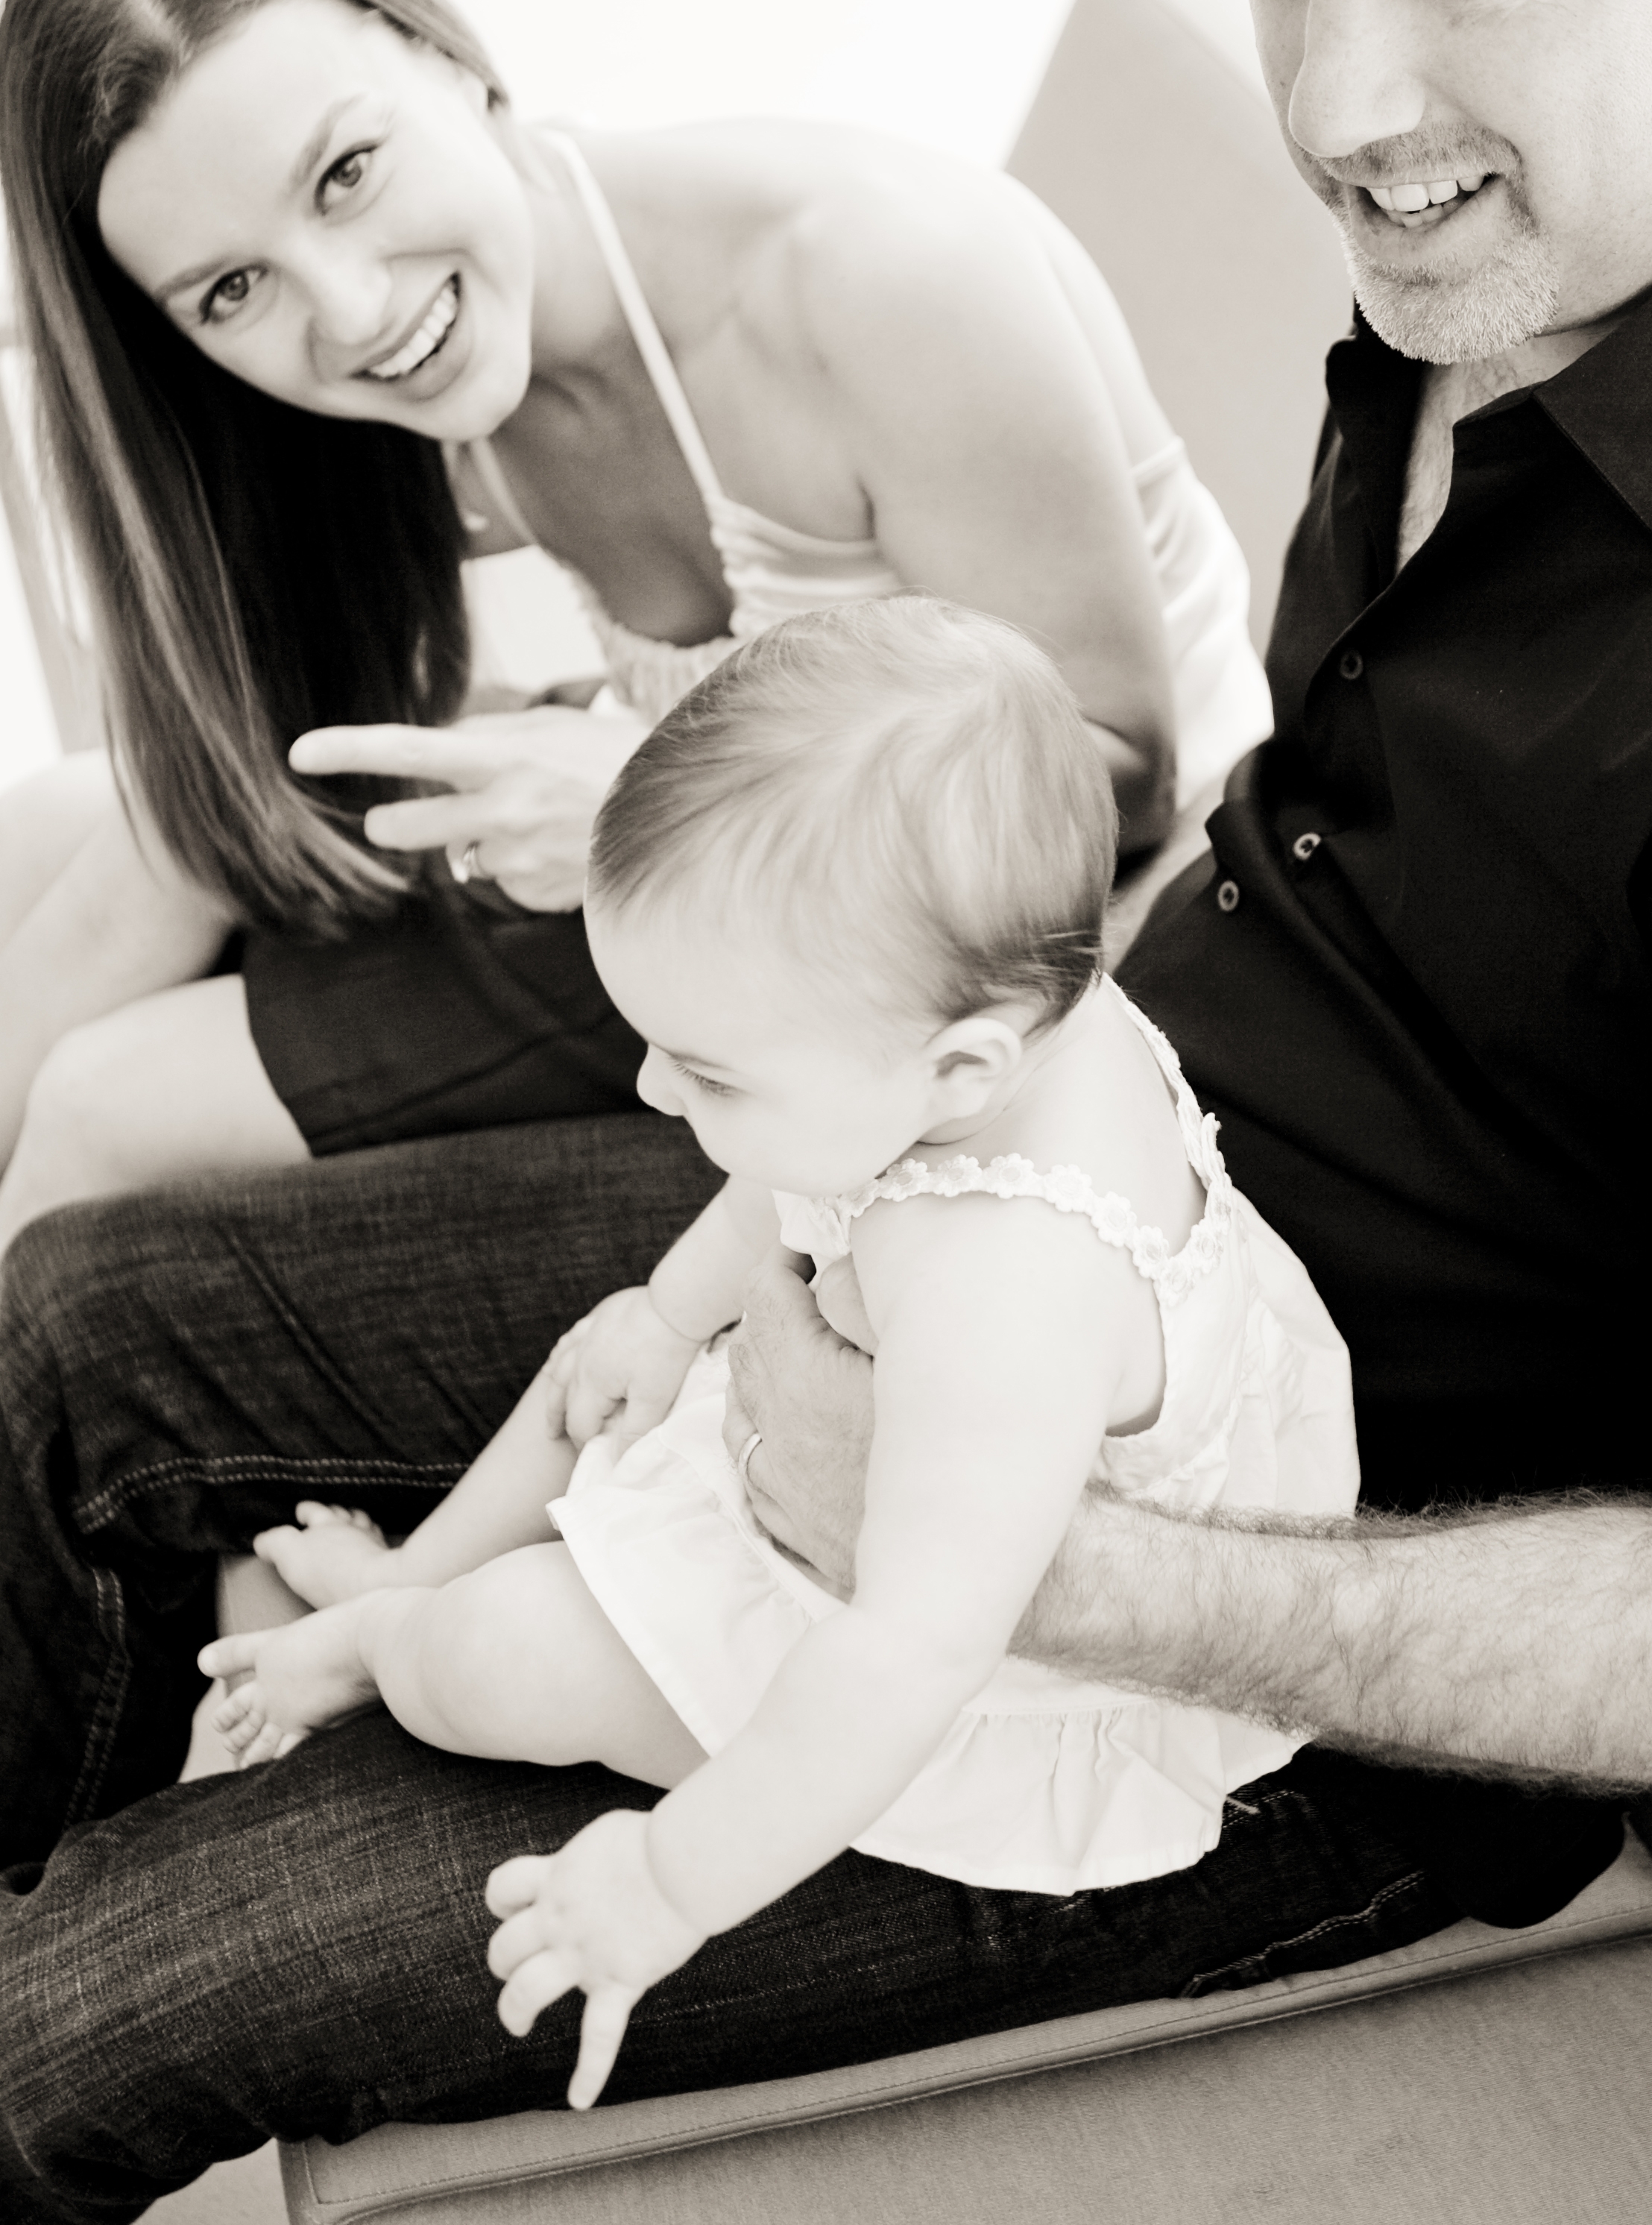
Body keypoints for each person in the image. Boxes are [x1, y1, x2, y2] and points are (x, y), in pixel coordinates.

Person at [4, 0, 1652, 2215]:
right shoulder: (1470, 288)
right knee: (73, 1318)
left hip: (1240, 1655)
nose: (1342, 101)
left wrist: (1054, 1567)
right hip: (993, 1138)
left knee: (73, 2013)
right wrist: (755, 1273)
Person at [195, 601, 1357, 2109]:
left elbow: (908, 1654)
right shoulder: (970, 1027)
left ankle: (389, 1644)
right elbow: (795, 1181)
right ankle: (407, 1572)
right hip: (875, 1423)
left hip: (967, 1658)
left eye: (705, 1069)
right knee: (604, 1360)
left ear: (961, 1067)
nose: (646, 1087)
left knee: (498, 1658)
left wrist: (669, 1881)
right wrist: (670, 1313)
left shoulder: (1008, 1293)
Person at [0, 0, 1270, 1249]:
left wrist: (640, 793)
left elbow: (1115, 783)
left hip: (1010, 936)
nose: (349, 311)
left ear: (448, 57)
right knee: (46, 829)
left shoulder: (877, 273)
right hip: (729, 874)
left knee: (100, 1107)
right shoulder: (434, 360)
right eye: (231, 288)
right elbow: (219, 792)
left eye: (346, 173)